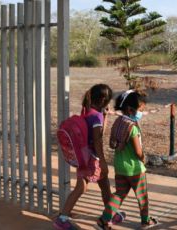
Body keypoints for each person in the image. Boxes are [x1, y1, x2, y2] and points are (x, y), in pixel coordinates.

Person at [54, 84, 124, 230]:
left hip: (83, 156)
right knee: (93, 187)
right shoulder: (96, 116)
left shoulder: (87, 111)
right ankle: (64, 218)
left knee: (91, 187)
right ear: (104, 99)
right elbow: (98, 140)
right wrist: (103, 162)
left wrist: (104, 116)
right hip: (92, 159)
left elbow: (95, 134)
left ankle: (64, 217)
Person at [97, 90, 158, 229]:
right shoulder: (132, 127)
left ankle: (104, 219)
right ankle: (145, 220)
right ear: (131, 109)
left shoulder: (118, 123)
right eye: (140, 110)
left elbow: (112, 144)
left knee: (118, 195)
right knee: (142, 197)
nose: (141, 113)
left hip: (120, 167)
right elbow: (137, 151)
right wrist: (144, 158)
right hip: (135, 169)